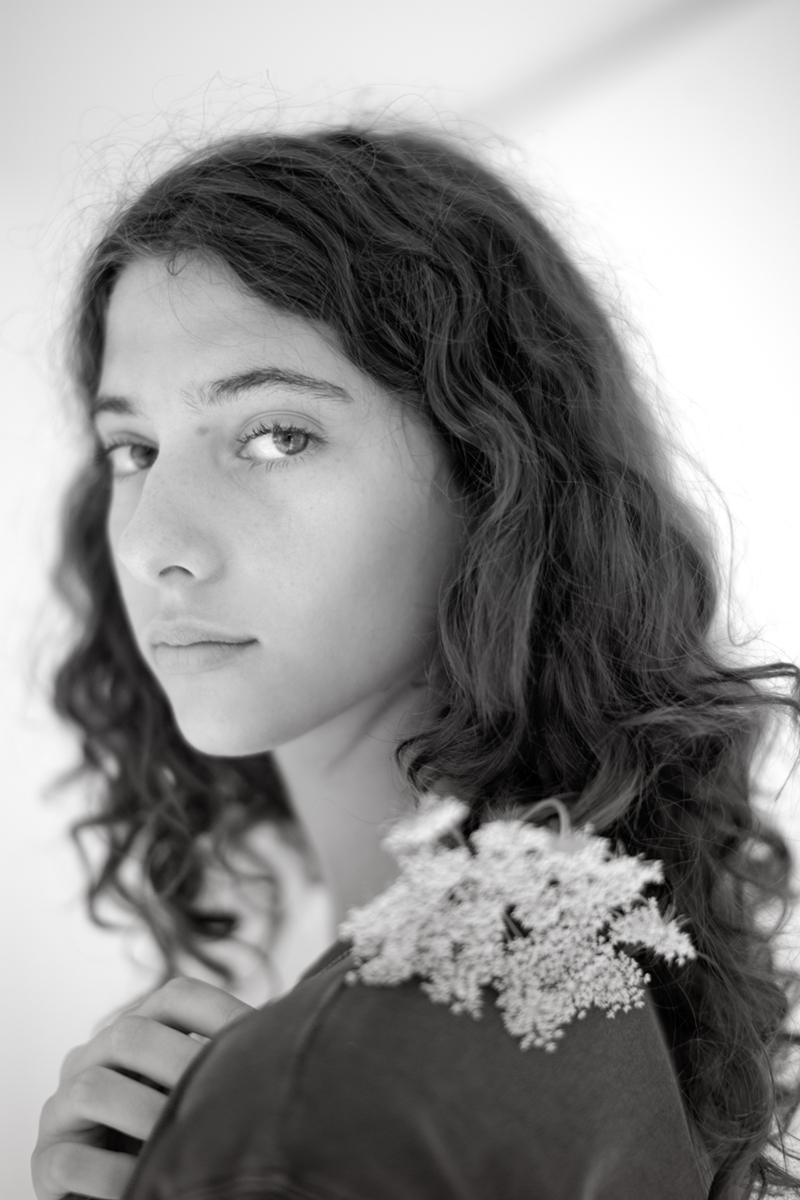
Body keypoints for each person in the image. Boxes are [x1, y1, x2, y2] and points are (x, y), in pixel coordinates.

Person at [31, 120, 800, 1200]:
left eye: (274, 435)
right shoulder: (571, 971)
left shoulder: (356, 1069)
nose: (159, 541)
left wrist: (264, 1127)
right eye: (133, 449)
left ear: (493, 471)